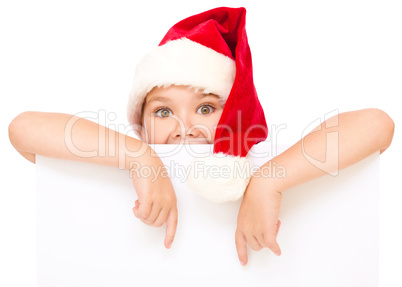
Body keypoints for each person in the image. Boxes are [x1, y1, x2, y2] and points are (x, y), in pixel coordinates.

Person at [8, 7, 394, 267]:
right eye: (162, 111)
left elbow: (377, 125)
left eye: (206, 108)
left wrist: (267, 183)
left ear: (236, 117)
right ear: (140, 126)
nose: (185, 124)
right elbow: (22, 129)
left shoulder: (265, 160)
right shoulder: (124, 160)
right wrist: (140, 158)